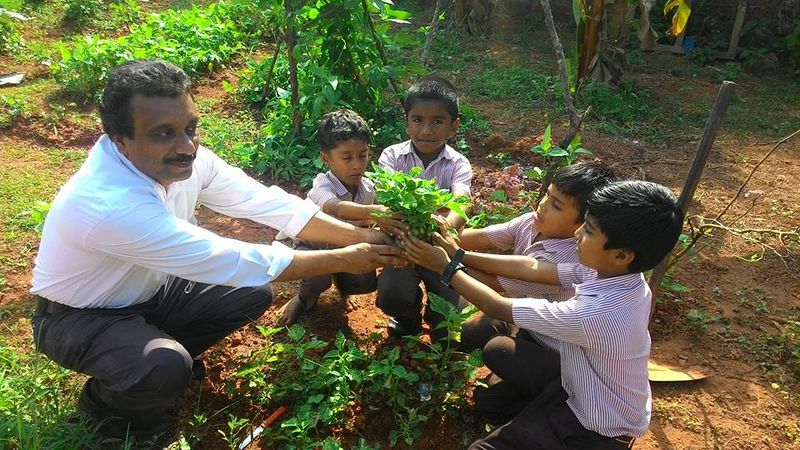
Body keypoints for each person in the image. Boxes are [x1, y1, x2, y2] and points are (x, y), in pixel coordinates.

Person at [28, 59, 403, 439]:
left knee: (250, 292)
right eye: (163, 134)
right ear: (119, 138)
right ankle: (104, 408)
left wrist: (361, 237)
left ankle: (157, 359)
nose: (186, 146)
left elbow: (268, 203)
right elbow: (227, 259)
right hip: (81, 317)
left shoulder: (186, 161)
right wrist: (345, 258)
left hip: (152, 291)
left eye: (190, 128)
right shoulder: (110, 203)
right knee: (165, 367)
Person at [403, 180, 684, 449]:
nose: (577, 234)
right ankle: (537, 410)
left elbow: (497, 306)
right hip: (582, 383)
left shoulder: (596, 314)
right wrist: (459, 254)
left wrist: (446, 268)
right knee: (493, 392)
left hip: (597, 424)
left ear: (622, 255)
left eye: (588, 231)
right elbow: (531, 268)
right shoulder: (618, 276)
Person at [453, 161, 618, 352]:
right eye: (547, 194)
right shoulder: (531, 223)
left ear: (584, 222)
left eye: (556, 205)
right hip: (513, 313)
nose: (543, 205)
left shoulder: (570, 258)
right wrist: (438, 233)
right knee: (462, 336)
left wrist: (446, 260)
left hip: (543, 338)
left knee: (498, 353)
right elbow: (481, 237)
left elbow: (493, 282)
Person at [277, 109, 406, 325]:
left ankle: (343, 289)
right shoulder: (322, 185)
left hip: (346, 245)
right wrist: (376, 212)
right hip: (312, 246)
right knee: (317, 279)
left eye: (363, 155)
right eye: (346, 157)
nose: (357, 164)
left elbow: (379, 218)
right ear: (325, 158)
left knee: (364, 281)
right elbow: (337, 208)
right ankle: (304, 298)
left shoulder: (368, 188)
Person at [375, 76, 473, 338]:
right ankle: (410, 311)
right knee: (391, 296)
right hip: (402, 244)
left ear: (453, 126)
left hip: (439, 246)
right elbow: (384, 200)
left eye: (437, 122)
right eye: (417, 120)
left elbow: (462, 200)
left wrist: (446, 226)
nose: (426, 130)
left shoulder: (458, 164)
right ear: (406, 122)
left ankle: (436, 311)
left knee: (450, 318)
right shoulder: (392, 156)